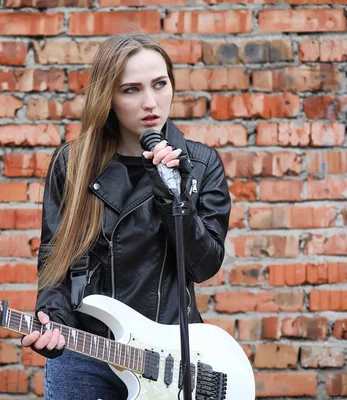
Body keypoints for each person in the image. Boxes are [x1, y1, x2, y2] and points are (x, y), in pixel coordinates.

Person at [21, 32, 231, 399]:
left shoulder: (199, 165)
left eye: (160, 84)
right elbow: (56, 257)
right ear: (109, 98)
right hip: (87, 352)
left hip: (167, 358)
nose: (151, 102)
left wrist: (172, 196)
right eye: (131, 90)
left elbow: (204, 265)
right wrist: (52, 319)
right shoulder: (72, 164)